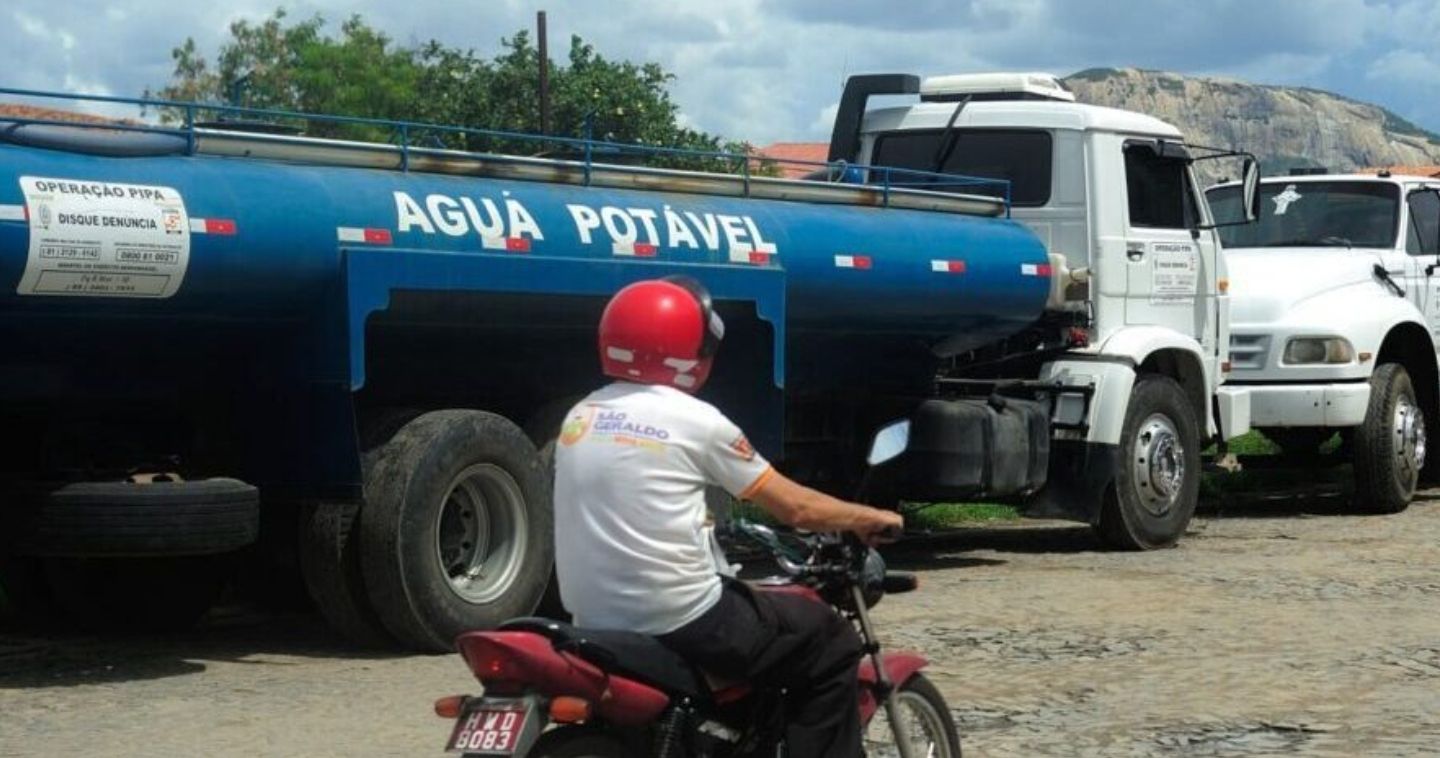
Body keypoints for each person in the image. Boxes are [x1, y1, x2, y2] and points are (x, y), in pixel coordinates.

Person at [553, 275, 904, 757]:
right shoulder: (696, 420)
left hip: (595, 617)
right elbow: (795, 506)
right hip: (681, 616)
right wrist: (868, 516)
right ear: (689, 351)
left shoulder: (581, 415)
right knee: (831, 640)